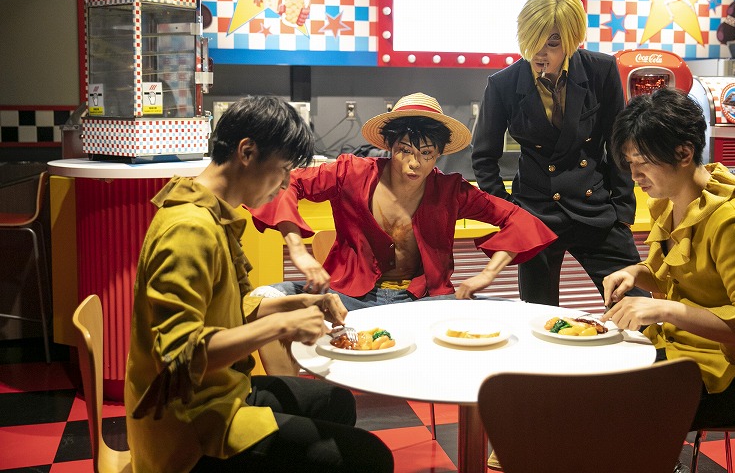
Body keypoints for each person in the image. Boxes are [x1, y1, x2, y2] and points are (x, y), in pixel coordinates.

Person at [124, 96, 393, 473]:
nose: (284, 184)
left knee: (335, 402)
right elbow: (179, 357)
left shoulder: (209, 212)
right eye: (282, 169)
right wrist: (280, 325)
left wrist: (298, 305)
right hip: (190, 422)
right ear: (247, 152)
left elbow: (225, 311)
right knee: (370, 457)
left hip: (222, 390)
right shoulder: (189, 230)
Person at [601, 87, 735, 439]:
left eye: (643, 161)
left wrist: (665, 310)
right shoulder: (671, 202)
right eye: (629, 163)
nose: (634, 175)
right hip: (678, 350)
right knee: (590, 378)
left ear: (684, 153)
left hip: (731, 379)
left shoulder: (734, 222)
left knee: (607, 406)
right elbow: (679, 278)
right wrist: (635, 273)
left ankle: (655, 460)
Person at [250, 92, 557, 312]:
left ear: (438, 154)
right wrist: (298, 252)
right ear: (390, 147)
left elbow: (519, 219)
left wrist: (488, 274)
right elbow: (283, 181)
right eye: (405, 150)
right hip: (348, 297)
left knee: (515, 312)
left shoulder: (451, 191)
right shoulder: (351, 173)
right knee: (265, 298)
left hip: (424, 302)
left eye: (426, 154)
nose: (414, 163)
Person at [472, 0, 644, 306]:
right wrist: (510, 213)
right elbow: (484, 157)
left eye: (552, 43)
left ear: (571, 39)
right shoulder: (503, 84)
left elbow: (618, 144)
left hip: (596, 209)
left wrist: (622, 212)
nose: (541, 53)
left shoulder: (601, 70)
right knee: (538, 314)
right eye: (533, 40)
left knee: (634, 303)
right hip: (535, 213)